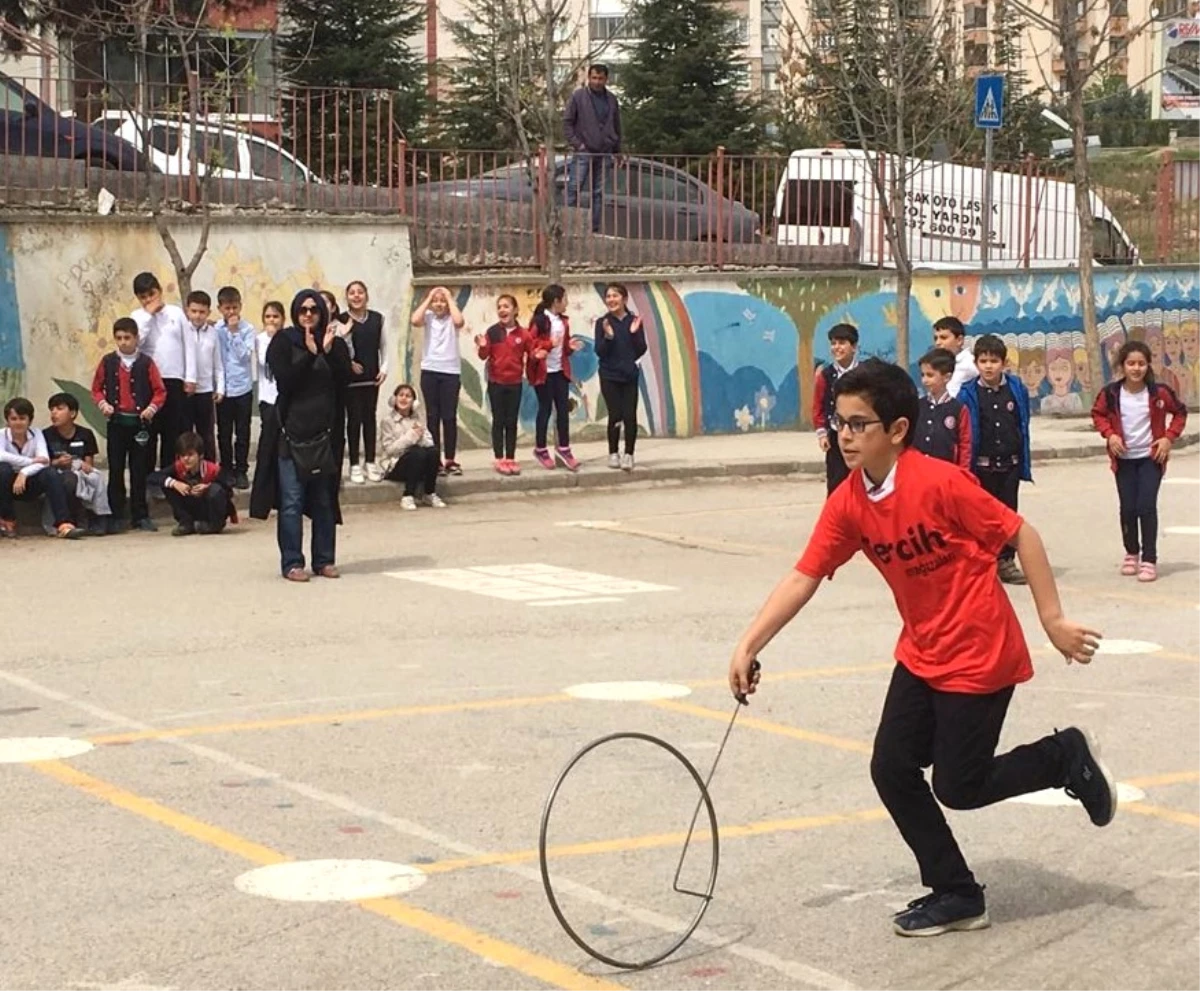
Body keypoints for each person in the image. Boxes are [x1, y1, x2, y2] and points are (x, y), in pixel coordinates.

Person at [728, 358, 1115, 940]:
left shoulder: (939, 482)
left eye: (860, 424)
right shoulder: (849, 502)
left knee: (958, 787)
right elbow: (804, 576)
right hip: (922, 650)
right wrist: (749, 643)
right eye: (840, 423)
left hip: (980, 652)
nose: (846, 435)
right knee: (891, 768)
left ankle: (1063, 757)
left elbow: (1021, 534)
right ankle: (956, 892)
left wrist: (1052, 620)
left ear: (898, 431)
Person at [263, 290, 351, 583]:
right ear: (295, 312)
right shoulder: (283, 342)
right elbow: (285, 382)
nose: (309, 314)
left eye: (314, 309)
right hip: (291, 437)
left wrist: (326, 351)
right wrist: (310, 354)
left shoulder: (334, 345)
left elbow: (344, 382)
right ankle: (292, 563)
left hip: (324, 438)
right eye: (303, 310)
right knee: (292, 502)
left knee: (324, 501)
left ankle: (324, 560)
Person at [1090, 340, 1188, 583]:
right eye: (1131, 363)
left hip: (1150, 459)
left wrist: (1168, 438)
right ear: (1122, 365)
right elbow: (1098, 414)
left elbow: (1180, 413)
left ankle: (1149, 559)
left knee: (1146, 506)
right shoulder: (1111, 393)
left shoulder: (1159, 393)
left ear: (1148, 366)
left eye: (1141, 364)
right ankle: (1132, 552)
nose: (1136, 368)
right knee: (1128, 508)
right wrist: (1110, 434)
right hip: (1123, 460)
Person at [959, 334, 1033, 586]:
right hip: (981, 467)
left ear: (1004, 362)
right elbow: (963, 431)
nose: (989, 366)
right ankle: (984, 562)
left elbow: (1023, 422)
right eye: (983, 361)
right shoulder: (968, 393)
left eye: (994, 361)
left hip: (1009, 465)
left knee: (1008, 515)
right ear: (976, 363)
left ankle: (1006, 561)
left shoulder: (1016, 388)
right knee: (981, 517)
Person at [91, 317, 167, 534]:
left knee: (139, 470)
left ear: (136, 338)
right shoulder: (108, 362)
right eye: (119, 338)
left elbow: (160, 391)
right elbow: (96, 389)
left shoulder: (146, 363)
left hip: (140, 425)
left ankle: (140, 515)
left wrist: (151, 408)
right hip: (116, 424)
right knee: (115, 470)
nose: (123, 342)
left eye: (127, 338)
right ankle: (116, 515)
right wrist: (103, 403)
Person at [131, 271, 196, 469]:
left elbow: (189, 346)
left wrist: (190, 377)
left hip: (173, 380)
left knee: (172, 430)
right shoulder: (137, 317)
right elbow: (135, 344)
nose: (148, 300)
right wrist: (149, 315)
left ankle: (168, 474)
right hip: (148, 382)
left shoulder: (176, 313)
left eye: (151, 294)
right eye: (143, 297)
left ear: (159, 291)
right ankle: (149, 476)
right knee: (149, 431)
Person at [0, 397, 84, 539]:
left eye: (22, 418)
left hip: (28, 484)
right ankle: (7, 520)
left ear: (29, 421)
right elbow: (1, 456)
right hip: (5, 485)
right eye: (13, 419)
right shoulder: (1, 435)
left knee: (50, 473)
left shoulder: (37, 434)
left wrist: (24, 473)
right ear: (7, 421)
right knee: (3, 469)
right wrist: (31, 461)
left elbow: (44, 461)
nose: (18, 423)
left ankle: (63, 524)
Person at [528, 284, 584, 471]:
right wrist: (548, 344)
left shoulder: (563, 322)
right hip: (543, 373)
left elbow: (564, 348)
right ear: (556, 301)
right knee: (544, 410)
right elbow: (531, 344)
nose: (566, 303)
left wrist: (570, 347)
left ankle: (564, 448)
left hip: (560, 372)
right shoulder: (540, 321)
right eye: (564, 299)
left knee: (563, 410)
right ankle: (541, 449)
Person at [412, 286, 465, 476]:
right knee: (432, 416)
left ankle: (450, 459)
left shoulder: (452, 317)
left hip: (450, 372)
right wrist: (428, 298)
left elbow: (460, 321)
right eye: (436, 301)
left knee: (449, 416)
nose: (439, 304)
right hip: (430, 370)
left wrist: (449, 297)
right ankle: (436, 460)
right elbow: (414, 320)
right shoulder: (427, 317)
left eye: (442, 301)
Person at [563, 63, 622, 234]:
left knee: (598, 193)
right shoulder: (578, 97)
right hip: (584, 151)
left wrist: (617, 150)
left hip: (605, 151)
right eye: (594, 78)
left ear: (606, 79)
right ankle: (569, 227)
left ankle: (594, 229)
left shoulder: (611, 99)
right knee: (574, 188)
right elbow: (567, 123)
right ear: (589, 78)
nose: (597, 82)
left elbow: (617, 125)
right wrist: (578, 144)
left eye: (600, 78)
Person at [43, 392, 111, 536]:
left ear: (72, 413)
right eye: (52, 409)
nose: (54, 413)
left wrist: (86, 466)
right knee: (69, 479)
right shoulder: (46, 435)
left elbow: (89, 462)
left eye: (59, 409)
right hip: (58, 474)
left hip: (80, 472)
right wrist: (58, 462)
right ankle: (74, 519)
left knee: (95, 478)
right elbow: (44, 463)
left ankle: (99, 518)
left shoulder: (85, 434)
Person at [595, 282, 646, 472]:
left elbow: (641, 350)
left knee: (629, 416)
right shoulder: (603, 322)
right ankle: (613, 452)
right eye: (608, 296)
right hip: (609, 375)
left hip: (629, 375)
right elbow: (599, 351)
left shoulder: (633, 321)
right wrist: (608, 337)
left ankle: (629, 454)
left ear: (624, 299)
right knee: (615, 415)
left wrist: (633, 334)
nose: (611, 300)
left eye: (615, 296)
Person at [476, 294, 530, 476]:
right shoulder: (492, 332)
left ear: (515, 310)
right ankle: (499, 458)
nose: (502, 310)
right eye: (499, 307)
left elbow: (532, 352)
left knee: (511, 421)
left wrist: (540, 353)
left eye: (506, 306)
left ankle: (511, 457)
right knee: (498, 420)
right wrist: (483, 346)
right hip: (496, 382)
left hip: (515, 382)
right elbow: (483, 356)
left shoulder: (523, 334)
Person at [343, 280, 389, 484]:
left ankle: (370, 461)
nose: (356, 296)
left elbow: (384, 346)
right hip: (350, 380)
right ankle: (354, 463)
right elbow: (337, 347)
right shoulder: (342, 320)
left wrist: (384, 368)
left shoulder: (377, 319)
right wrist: (349, 363)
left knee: (369, 418)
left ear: (366, 295)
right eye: (352, 293)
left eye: (360, 292)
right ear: (347, 297)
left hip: (371, 378)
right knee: (353, 420)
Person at [379, 383, 445, 511]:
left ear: (414, 402)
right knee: (417, 453)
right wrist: (410, 437)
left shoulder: (417, 418)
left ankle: (429, 493)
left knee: (433, 452)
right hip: (395, 464)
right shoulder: (387, 421)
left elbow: (429, 442)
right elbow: (389, 450)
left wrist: (420, 436)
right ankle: (408, 495)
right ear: (394, 399)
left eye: (408, 396)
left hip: (417, 462)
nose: (404, 399)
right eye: (401, 395)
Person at [215, 285, 256, 490]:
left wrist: (234, 332)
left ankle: (241, 469)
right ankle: (226, 468)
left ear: (240, 306)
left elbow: (245, 356)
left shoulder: (248, 329)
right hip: (224, 390)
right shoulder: (215, 331)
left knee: (242, 431)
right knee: (223, 432)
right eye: (227, 308)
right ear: (220, 308)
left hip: (243, 388)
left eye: (234, 307)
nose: (231, 312)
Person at [812, 323, 859, 496]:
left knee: (861, 480)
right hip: (836, 435)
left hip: (860, 435)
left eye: (842, 343)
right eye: (833, 343)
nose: (836, 348)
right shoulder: (825, 375)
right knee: (836, 482)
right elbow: (818, 405)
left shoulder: (864, 373)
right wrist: (822, 434)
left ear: (853, 347)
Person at [161, 431, 236, 536]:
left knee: (215, 490)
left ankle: (215, 525)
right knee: (166, 483)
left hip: (209, 508)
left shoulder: (212, 469)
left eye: (190, 455)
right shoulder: (178, 467)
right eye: (182, 455)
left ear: (200, 455)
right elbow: (154, 477)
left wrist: (207, 486)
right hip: (191, 505)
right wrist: (175, 483)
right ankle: (186, 522)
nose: (186, 459)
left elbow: (229, 488)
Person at [249, 300, 285, 522]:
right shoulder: (260, 340)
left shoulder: (289, 338)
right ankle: (260, 502)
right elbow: (264, 361)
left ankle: (281, 499)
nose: (272, 321)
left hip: (284, 398)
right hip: (267, 399)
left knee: (282, 450)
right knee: (266, 448)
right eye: (268, 317)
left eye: (276, 317)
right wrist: (271, 339)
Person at [914, 348, 972, 471]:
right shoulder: (918, 406)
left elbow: (965, 444)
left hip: (946, 471)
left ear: (947, 377)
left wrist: (963, 472)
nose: (925, 380)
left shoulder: (958, 409)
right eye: (922, 375)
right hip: (919, 470)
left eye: (930, 375)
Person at [185, 290, 222, 463]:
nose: (198, 316)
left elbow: (218, 363)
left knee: (206, 435)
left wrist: (220, 388)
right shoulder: (182, 331)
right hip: (185, 391)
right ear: (187, 311)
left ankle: (209, 472)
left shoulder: (214, 333)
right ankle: (185, 474)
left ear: (208, 312)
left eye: (202, 312)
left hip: (205, 391)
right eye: (194, 311)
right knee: (185, 434)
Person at [933, 316, 978, 399]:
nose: (938, 343)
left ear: (959, 340)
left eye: (943, 338)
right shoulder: (936, 365)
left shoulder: (969, 363)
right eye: (935, 338)